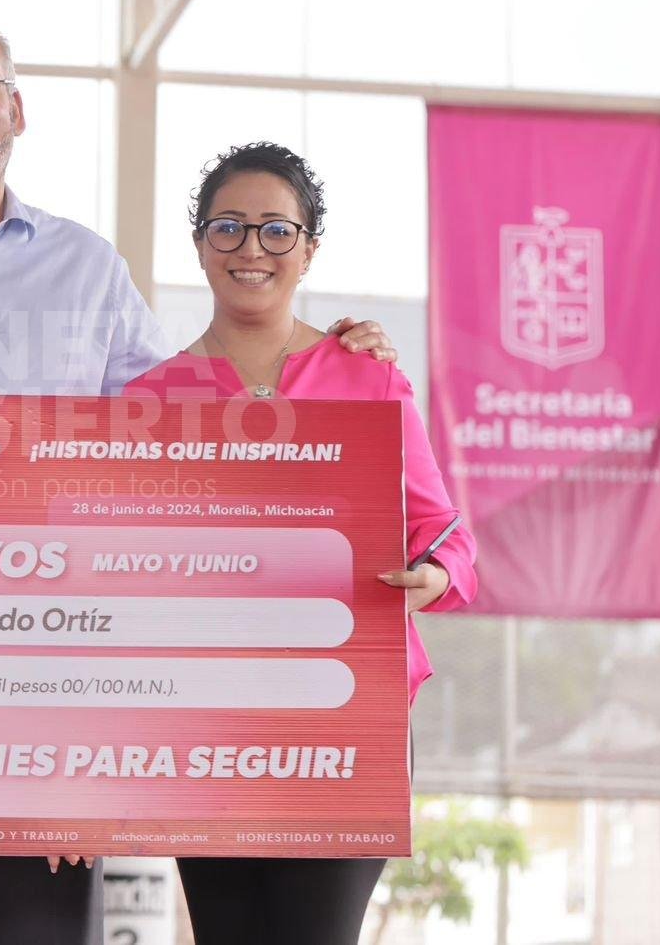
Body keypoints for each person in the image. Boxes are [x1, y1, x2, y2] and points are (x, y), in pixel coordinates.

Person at [0, 2, 398, 945]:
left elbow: (190, 437)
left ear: (16, 110)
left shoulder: (89, 268)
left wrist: (324, 354)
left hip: (54, 670)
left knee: (48, 930)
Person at [124, 142, 477, 945]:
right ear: (199, 245)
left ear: (309, 249)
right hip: (208, 726)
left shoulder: (369, 378)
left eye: (276, 230)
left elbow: (447, 539)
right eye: (228, 227)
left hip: (346, 716)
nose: (251, 248)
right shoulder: (151, 398)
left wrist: (429, 576)